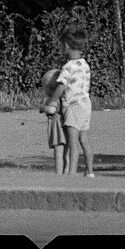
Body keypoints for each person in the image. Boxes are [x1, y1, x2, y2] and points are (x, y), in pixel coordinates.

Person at [40, 24, 95, 177]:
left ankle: (71, 173)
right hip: (86, 104)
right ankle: (90, 171)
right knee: (84, 139)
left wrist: (52, 101)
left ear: (66, 46)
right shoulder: (85, 65)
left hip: (73, 106)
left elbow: (61, 86)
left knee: (72, 143)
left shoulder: (68, 67)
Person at [37, 67, 67, 175]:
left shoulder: (53, 99)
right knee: (66, 153)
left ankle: (58, 173)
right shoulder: (64, 98)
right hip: (65, 126)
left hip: (57, 128)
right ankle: (66, 172)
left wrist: (43, 108)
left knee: (58, 152)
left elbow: (51, 109)